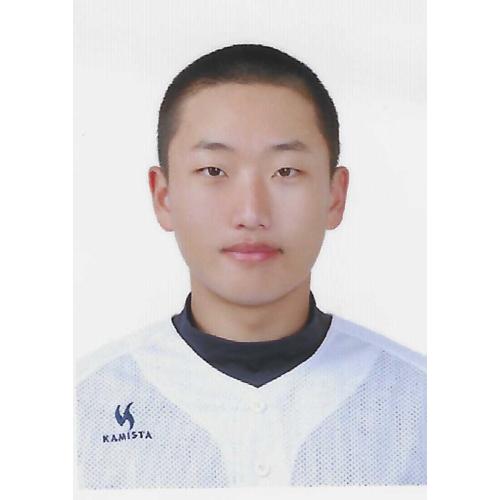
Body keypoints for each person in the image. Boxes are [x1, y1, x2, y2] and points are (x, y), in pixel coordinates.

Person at [76, 44, 426, 489]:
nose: (251, 212)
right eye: (214, 171)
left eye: (286, 171)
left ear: (334, 197)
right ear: (164, 197)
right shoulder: (81, 408)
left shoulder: (426, 406)